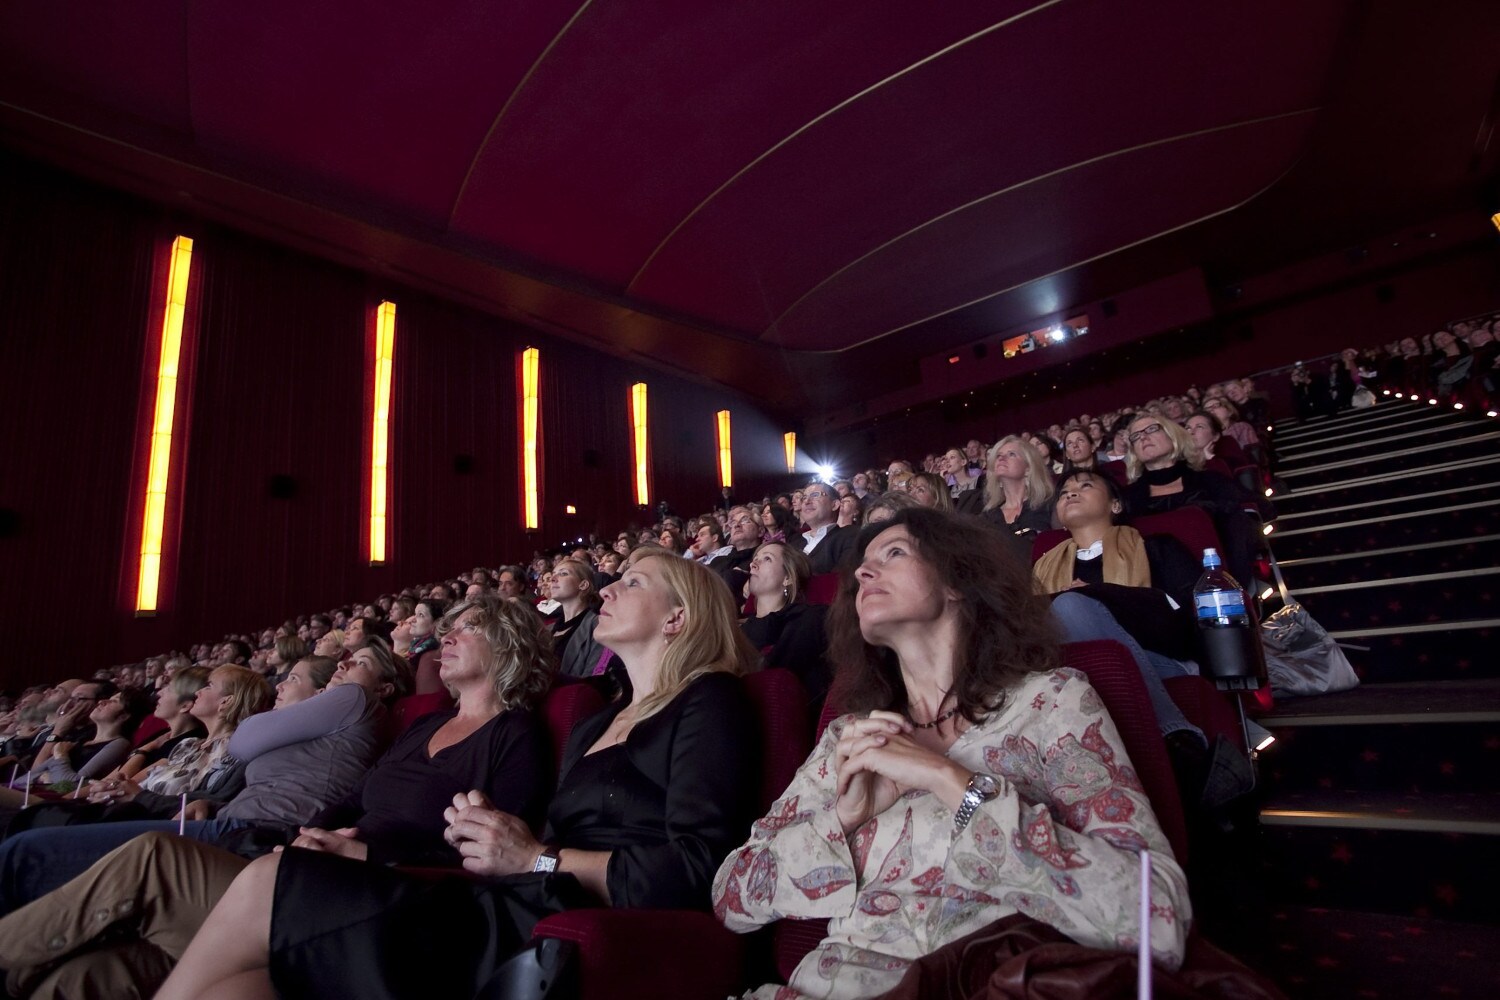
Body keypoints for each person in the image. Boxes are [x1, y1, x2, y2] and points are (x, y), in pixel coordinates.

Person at [156, 552, 762, 1000]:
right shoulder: (595, 723)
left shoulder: (709, 700)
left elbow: (699, 868)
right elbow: (530, 855)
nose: (608, 587)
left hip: (548, 924)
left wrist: (536, 858)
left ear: (678, 618)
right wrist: (503, 846)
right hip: (515, 900)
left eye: (633, 582)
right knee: (238, 989)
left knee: (267, 882)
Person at [714, 509, 1190, 1000]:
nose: (862, 572)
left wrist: (952, 782)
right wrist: (843, 817)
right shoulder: (850, 738)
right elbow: (732, 897)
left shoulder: (1053, 701)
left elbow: (1158, 919)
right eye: (861, 566)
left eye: (894, 553)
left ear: (957, 581)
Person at [0, 598, 555, 999]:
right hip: (312, 865)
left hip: (386, 894)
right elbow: (354, 801)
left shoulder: (516, 734)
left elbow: (496, 856)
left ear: (509, 646)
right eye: (449, 628)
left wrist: (367, 853)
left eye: (469, 628)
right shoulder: (423, 726)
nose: (448, 638)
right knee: (95, 972)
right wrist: (310, 835)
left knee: (153, 858)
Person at [1032, 472, 1211, 762]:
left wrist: (1097, 596)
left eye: (1085, 486)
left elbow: (1183, 619)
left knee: (1070, 607)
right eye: (1064, 492)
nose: (1070, 494)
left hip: (1159, 656)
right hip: (1069, 665)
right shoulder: (1043, 567)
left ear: (1115, 505)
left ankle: (1177, 736)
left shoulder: (1156, 547)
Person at [1121, 415, 1261, 587]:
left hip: (1218, 580)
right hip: (1154, 586)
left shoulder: (1211, 481)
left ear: (1173, 436)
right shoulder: (1126, 498)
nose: (1143, 437)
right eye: (1135, 436)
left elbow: (1251, 518)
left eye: (1151, 429)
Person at [741, 543, 831, 709]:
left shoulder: (811, 617)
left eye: (767, 559)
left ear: (788, 577)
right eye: (755, 559)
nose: (753, 564)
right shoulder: (737, 630)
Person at [981, 435, 1054, 563]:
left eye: (1011, 454)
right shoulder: (987, 517)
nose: (1001, 458)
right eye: (998, 455)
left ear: (1028, 469)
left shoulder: (1049, 506)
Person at [550, 558, 609, 678]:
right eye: (553, 574)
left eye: (563, 573)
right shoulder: (546, 629)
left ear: (583, 585)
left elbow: (596, 677)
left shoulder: (600, 626)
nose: (553, 579)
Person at [795, 484, 857, 574]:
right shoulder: (794, 542)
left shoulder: (850, 536)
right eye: (804, 498)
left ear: (834, 505)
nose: (806, 501)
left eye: (815, 495)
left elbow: (843, 578)